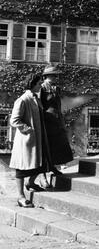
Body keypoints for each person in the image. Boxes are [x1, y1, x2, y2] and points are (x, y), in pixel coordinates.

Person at [9, 73, 52, 208]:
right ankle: (21, 197)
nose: (41, 86)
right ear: (32, 84)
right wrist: (28, 130)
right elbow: (14, 120)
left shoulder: (36, 98)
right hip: (26, 140)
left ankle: (31, 183)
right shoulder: (23, 100)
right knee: (22, 168)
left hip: (38, 139)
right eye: (39, 83)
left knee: (42, 164)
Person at [40, 65, 73, 185]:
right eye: (53, 75)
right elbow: (39, 106)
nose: (55, 77)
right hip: (46, 121)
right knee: (45, 147)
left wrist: (61, 121)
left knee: (57, 145)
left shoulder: (56, 88)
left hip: (56, 120)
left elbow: (58, 106)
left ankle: (53, 167)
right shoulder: (42, 87)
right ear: (47, 76)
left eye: (56, 75)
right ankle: (42, 175)